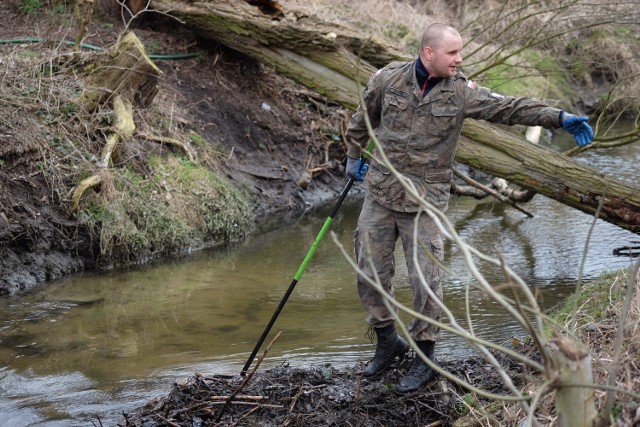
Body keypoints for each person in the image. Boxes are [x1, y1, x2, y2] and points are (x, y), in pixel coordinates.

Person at [344, 23, 593, 394]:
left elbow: (509, 107)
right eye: (453, 53)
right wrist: (353, 155)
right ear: (429, 53)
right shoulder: (388, 79)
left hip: (425, 201)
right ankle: (387, 343)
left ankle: (425, 358)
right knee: (369, 272)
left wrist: (557, 117)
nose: (460, 59)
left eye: (460, 52)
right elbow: (364, 117)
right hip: (380, 193)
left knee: (426, 280)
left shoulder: (461, 92)